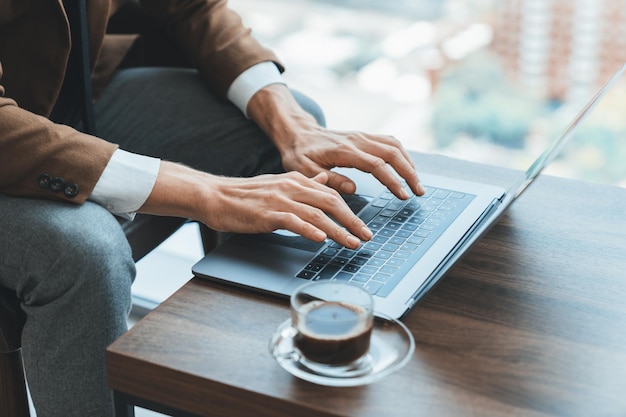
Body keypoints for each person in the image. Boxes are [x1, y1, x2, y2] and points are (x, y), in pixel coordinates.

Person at [0, 0, 423, 415]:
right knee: (85, 253)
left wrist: (293, 126)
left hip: (64, 94)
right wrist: (210, 194)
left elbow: (192, 7)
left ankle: (254, 388)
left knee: (288, 124)